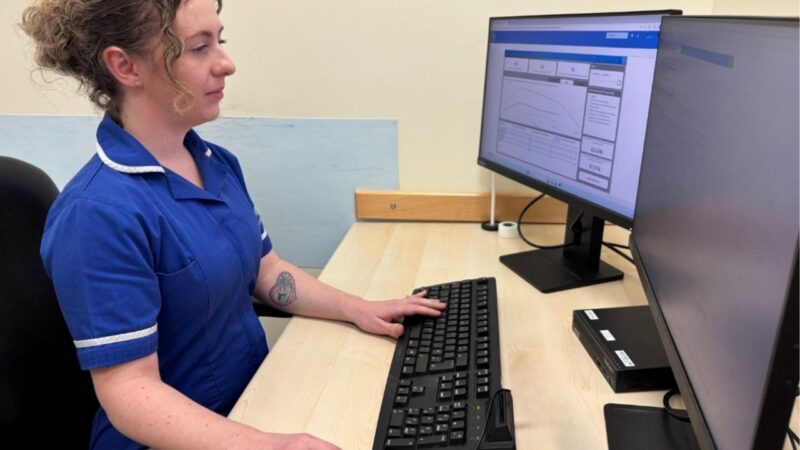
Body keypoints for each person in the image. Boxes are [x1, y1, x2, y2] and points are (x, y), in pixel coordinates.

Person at [20, 1, 445, 449]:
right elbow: (129, 393)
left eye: (219, 41)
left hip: (254, 404)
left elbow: (267, 272)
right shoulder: (96, 214)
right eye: (199, 48)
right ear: (125, 66)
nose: (226, 63)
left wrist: (358, 308)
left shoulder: (216, 164)